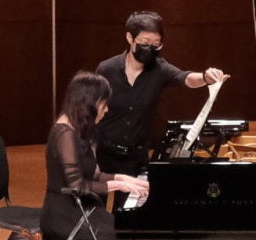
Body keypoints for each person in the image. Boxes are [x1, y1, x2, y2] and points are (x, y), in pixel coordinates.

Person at [41, 70, 182, 240]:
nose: (106, 109)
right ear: (89, 102)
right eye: (103, 103)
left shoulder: (79, 131)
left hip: (83, 211)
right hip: (65, 216)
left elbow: (94, 176)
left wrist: (122, 178)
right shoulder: (64, 135)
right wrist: (120, 187)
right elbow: (78, 185)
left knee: (137, 236)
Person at [95, 10, 229, 186]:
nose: (150, 49)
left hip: (135, 158)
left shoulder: (160, 69)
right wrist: (90, 156)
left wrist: (205, 77)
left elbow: (185, 78)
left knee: (128, 211)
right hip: (103, 153)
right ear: (130, 38)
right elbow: (90, 114)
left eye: (156, 44)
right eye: (144, 43)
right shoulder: (106, 69)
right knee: (95, 211)